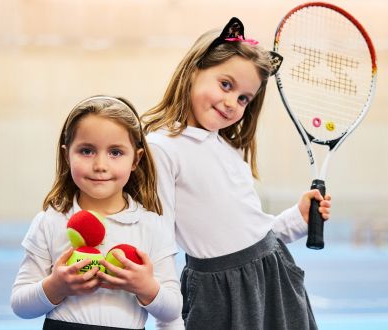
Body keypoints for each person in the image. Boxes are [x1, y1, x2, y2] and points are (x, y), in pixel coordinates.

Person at [141, 18, 331, 330]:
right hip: (218, 292)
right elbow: (159, 242)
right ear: (193, 71)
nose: (232, 103)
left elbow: (254, 232)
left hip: (275, 276)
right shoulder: (162, 149)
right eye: (226, 85)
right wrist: (169, 321)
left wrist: (298, 216)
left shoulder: (230, 150)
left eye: (244, 98)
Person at [11, 96, 184, 330]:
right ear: (66, 155)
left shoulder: (151, 226)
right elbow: (20, 306)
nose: (100, 165)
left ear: (136, 159)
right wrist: (56, 286)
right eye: (86, 151)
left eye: (115, 152)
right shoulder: (50, 221)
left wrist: (146, 287)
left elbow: (173, 310)